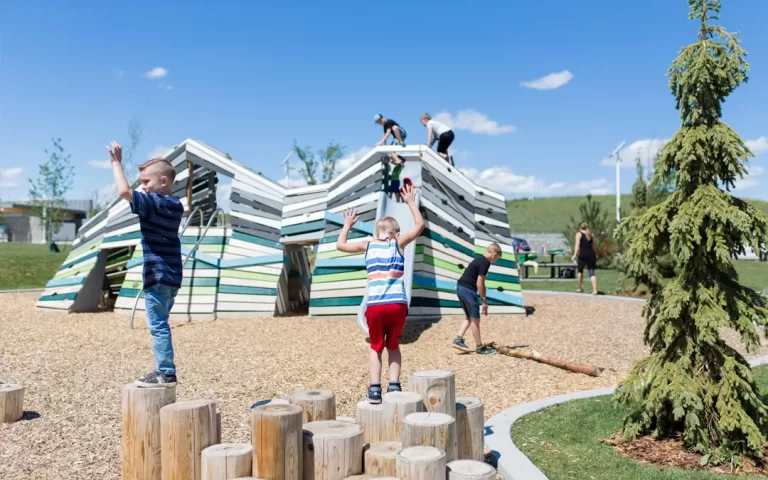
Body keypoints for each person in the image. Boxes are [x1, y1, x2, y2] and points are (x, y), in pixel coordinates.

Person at [336, 184, 424, 404]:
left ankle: (375, 389)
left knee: (376, 347)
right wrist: (411, 203)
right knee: (393, 345)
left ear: (376, 232)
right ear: (395, 233)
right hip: (397, 304)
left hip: (375, 305)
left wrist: (347, 225)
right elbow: (420, 225)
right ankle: (394, 387)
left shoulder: (367, 245)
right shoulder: (398, 243)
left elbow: (340, 245)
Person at [108, 141, 185, 387]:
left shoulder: (155, 203)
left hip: (158, 275)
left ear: (163, 181)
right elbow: (160, 178)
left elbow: (123, 192)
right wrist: (159, 166)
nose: (142, 187)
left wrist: (116, 163)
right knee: (161, 321)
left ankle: (165, 372)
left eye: (146, 182)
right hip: (172, 276)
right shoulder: (174, 204)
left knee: (158, 325)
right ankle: (163, 370)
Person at [452, 243, 502, 355]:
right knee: (475, 319)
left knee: (469, 317)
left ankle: (458, 339)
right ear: (494, 254)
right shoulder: (485, 262)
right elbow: (480, 282)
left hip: (460, 288)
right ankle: (480, 347)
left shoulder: (479, 260)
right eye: (497, 258)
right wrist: (483, 300)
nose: (495, 260)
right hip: (468, 290)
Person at [571, 223, 598, 295]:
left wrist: (574, 255)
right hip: (591, 254)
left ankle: (580, 287)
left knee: (580, 271)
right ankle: (595, 290)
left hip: (582, 254)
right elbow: (594, 245)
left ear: (580, 227)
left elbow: (577, 245)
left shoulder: (578, 234)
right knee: (591, 272)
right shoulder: (591, 234)